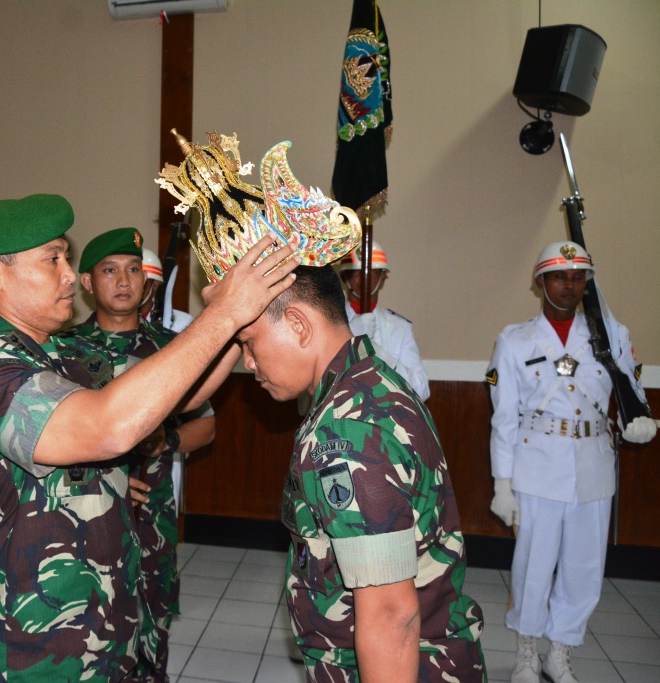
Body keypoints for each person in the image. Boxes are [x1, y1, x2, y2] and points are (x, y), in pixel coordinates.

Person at [157, 130, 487, 682]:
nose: (247, 364)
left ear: (299, 324)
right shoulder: (363, 382)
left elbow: (388, 615)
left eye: (248, 343)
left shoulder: (350, 431)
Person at [0, 193, 297, 682]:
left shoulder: (63, 357)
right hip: (34, 642)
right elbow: (109, 426)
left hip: (105, 620)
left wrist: (235, 323)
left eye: (66, 256)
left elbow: (175, 397)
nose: (69, 274)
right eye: (52, 259)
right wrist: (223, 317)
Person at [486, 241, 656, 683]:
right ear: (540, 283)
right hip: (537, 464)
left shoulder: (609, 336)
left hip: (594, 465)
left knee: (584, 568)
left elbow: (631, 393)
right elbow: (503, 418)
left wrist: (640, 420)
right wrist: (501, 483)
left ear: (588, 283)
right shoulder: (515, 340)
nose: (569, 285)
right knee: (533, 565)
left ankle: (559, 652)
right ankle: (526, 651)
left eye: (579, 277)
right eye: (559, 277)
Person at [72, 227, 216, 683]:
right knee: (88, 624)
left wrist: (164, 442)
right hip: (84, 519)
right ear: (88, 283)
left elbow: (207, 425)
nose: (123, 280)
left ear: (146, 282)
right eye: (109, 270)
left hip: (151, 513)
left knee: (152, 616)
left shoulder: (170, 350)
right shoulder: (63, 353)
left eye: (134, 270)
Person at [337, 241, 430, 401]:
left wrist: (383, 358)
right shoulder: (331, 322)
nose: (364, 278)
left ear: (383, 277)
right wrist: (347, 340)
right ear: (344, 277)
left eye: (371, 272)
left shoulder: (400, 328)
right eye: (355, 272)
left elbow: (421, 391)